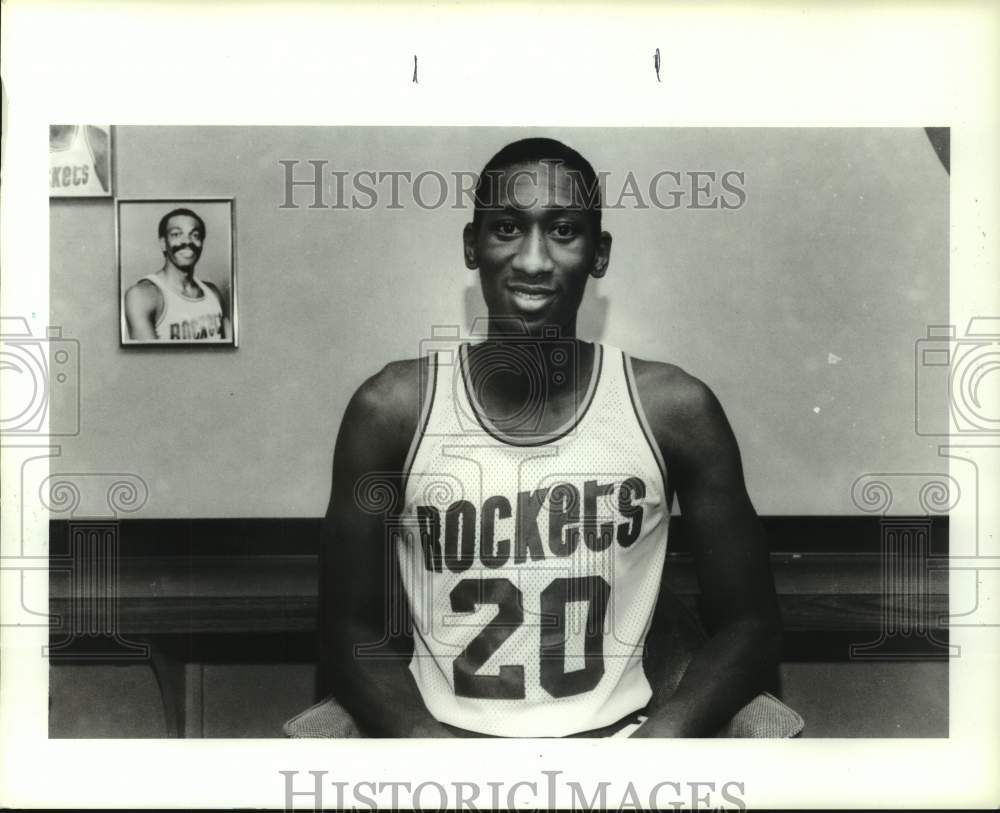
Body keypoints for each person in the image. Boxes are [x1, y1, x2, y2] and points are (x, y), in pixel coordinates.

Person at [320, 137, 781, 737]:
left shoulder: (671, 409)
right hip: (447, 750)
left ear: (599, 253)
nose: (534, 260)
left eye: (564, 230)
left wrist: (662, 743)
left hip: (618, 747)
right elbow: (346, 628)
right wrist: (423, 749)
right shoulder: (391, 410)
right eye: (507, 228)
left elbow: (749, 623)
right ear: (471, 245)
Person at [123, 208, 230, 342]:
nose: (187, 241)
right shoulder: (142, 295)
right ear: (163, 244)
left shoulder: (213, 293)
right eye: (176, 234)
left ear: (202, 243)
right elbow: (149, 361)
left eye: (195, 235)